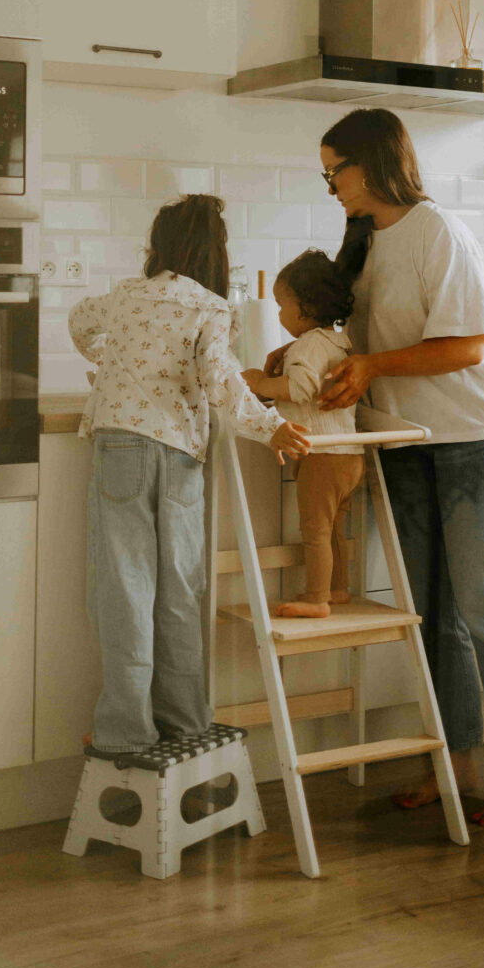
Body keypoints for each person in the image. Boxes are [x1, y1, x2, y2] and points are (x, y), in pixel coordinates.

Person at [265, 110, 484, 827]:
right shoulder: (362, 246)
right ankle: (451, 762)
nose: (330, 182)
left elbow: (467, 346)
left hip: (473, 441)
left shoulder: (438, 232)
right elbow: (346, 334)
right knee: (432, 616)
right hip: (407, 442)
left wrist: (369, 366)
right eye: (326, 172)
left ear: (373, 163)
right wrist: (299, 352)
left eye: (337, 168)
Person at [69, 194, 310, 761]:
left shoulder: (129, 294)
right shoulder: (210, 306)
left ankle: (126, 729)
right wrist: (268, 426)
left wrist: (110, 362)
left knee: (124, 589)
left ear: (158, 246)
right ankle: (185, 720)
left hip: (122, 444)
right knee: (180, 589)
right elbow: (221, 380)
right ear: (215, 255)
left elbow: (80, 320)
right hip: (179, 453)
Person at [242, 250, 364, 619]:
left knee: (314, 530)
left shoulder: (308, 344)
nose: (278, 314)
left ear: (305, 309)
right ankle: (337, 589)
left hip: (323, 455)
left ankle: (316, 599)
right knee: (333, 529)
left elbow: (300, 389)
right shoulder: (337, 341)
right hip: (349, 456)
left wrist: (260, 382)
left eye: (282, 305)